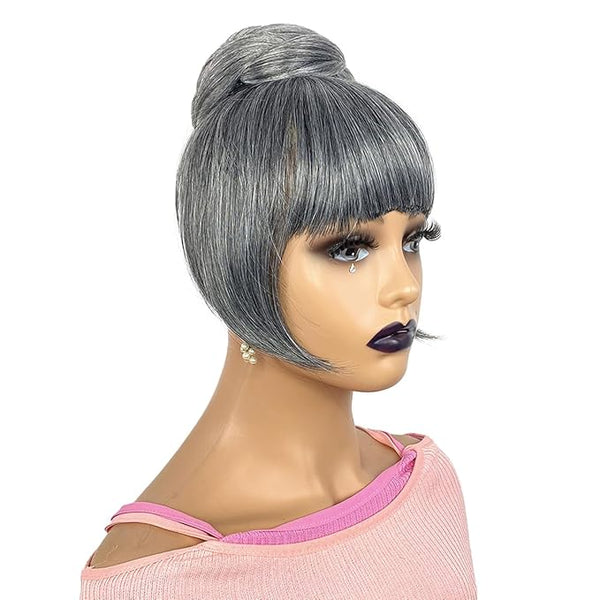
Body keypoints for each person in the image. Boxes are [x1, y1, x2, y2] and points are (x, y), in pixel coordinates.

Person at [80, 22, 477, 599]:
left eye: (413, 240)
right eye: (349, 249)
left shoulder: (427, 480)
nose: (403, 286)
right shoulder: (162, 577)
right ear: (239, 260)